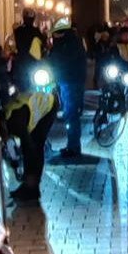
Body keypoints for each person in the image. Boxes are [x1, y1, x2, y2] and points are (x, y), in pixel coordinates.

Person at [3, 65, 59, 203]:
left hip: (49, 105)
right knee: (30, 147)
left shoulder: (15, 122)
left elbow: (30, 148)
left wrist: (30, 176)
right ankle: (28, 186)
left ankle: (32, 189)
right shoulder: (7, 117)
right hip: (33, 106)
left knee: (36, 145)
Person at [47, 17, 88, 159]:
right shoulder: (75, 42)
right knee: (72, 113)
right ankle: (73, 145)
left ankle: (73, 147)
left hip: (69, 82)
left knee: (71, 114)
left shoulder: (65, 45)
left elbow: (56, 60)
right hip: (74, 81)